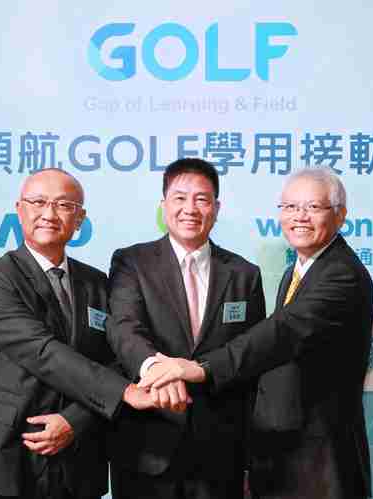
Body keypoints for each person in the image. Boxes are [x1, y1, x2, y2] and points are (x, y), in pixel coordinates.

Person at [140, 168, 373, 499]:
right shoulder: (298, 271)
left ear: (340, 215)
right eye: (290, 207)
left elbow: (282, 332)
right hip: (281, 457)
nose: (300, 217)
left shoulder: (341, 274)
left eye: (313, 207)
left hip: (321, 462)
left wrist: (200, 367)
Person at [0, 169, 156, 499]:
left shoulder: (98, 283)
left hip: (80, 460)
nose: (49, 214)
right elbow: (41, 351)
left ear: (79, 219)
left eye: (63, 205)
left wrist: (74, 421)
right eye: (38, 202)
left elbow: (118, 358)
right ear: (19, 209)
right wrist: (124, 391)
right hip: (9, 456)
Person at [106, 158, 266, 499]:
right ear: (164, 206)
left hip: (221, 451)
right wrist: (157, 369)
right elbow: (124, 328)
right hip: (147, 445)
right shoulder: (132, 262)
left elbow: (250, 358)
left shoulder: (244, 274)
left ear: (216, 208)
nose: (190, 209)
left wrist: (251, 457)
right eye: (179, 198)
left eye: (201, 199)